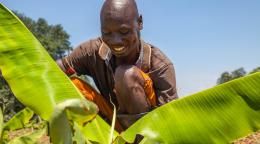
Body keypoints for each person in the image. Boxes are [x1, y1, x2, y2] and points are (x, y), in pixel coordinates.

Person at [57, 0, 178, 132]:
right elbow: (56, 69)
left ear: (140, 23)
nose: (115, 41)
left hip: (148, 131)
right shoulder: (91, 52)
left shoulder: (161, 66)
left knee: (126, 75)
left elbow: (169, 121)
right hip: (110, 126)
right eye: (107, 33)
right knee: (71, 85)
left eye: (124, 31)